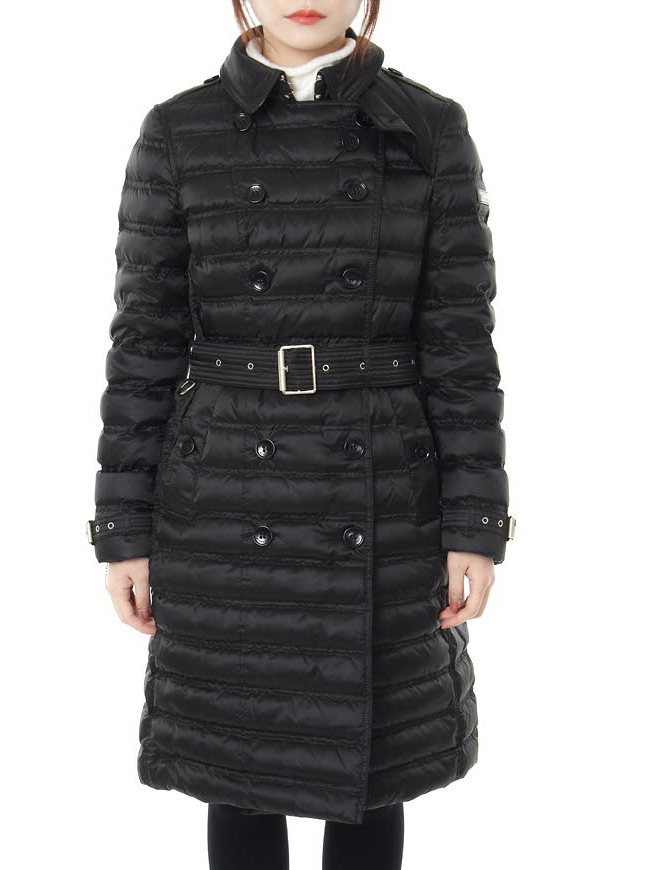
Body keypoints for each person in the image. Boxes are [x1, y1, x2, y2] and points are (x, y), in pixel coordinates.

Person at [87, 2, 514, 868]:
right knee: (237, 761)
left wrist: (474, 522)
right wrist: (123, 528)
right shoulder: (178, 131)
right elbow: (144, 348)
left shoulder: (429, 128)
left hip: (384, 484)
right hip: (222, 493)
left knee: (374, 768)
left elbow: (461, 346)